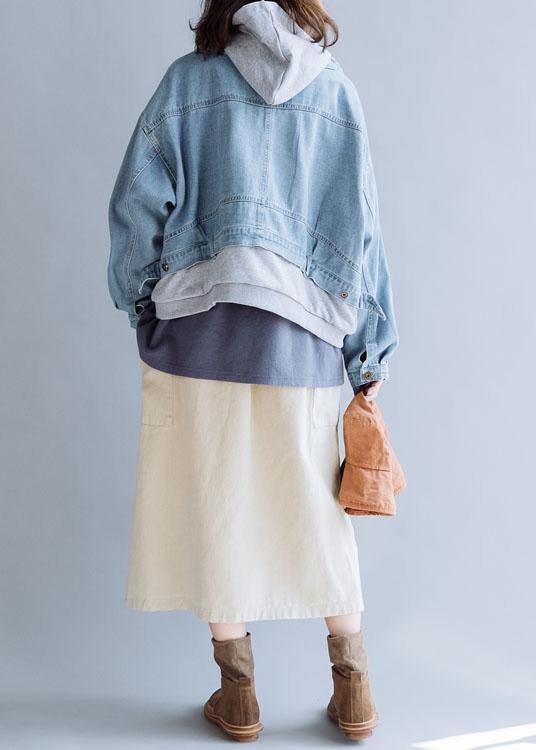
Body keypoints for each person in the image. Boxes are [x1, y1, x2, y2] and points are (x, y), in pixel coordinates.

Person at [107, 0, 398, 742]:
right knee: (320, 513)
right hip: (305, 338)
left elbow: (138, 204)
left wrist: (140, 300)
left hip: (196, 330)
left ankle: (238, 696)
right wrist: (368, 354)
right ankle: (354, 691)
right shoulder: (335, 90)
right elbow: (363, 233)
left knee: (217, 506)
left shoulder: (186, 82)